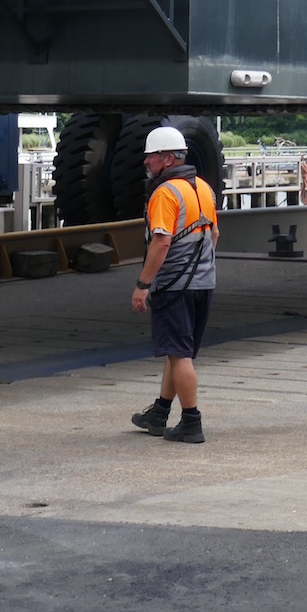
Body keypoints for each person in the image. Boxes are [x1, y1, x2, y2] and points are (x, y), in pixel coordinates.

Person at [129, 125, 219, 444]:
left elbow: (162, 242)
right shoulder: (204, 189)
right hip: (204, 283)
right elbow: (214, 236)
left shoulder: (164, 193)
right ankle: (160, 412)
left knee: (179, 355)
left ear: (167, 159)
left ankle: (191, 422)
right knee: (176, 349)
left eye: (150, 157)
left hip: (175, 285)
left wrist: (143, 283)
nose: (146, 162)